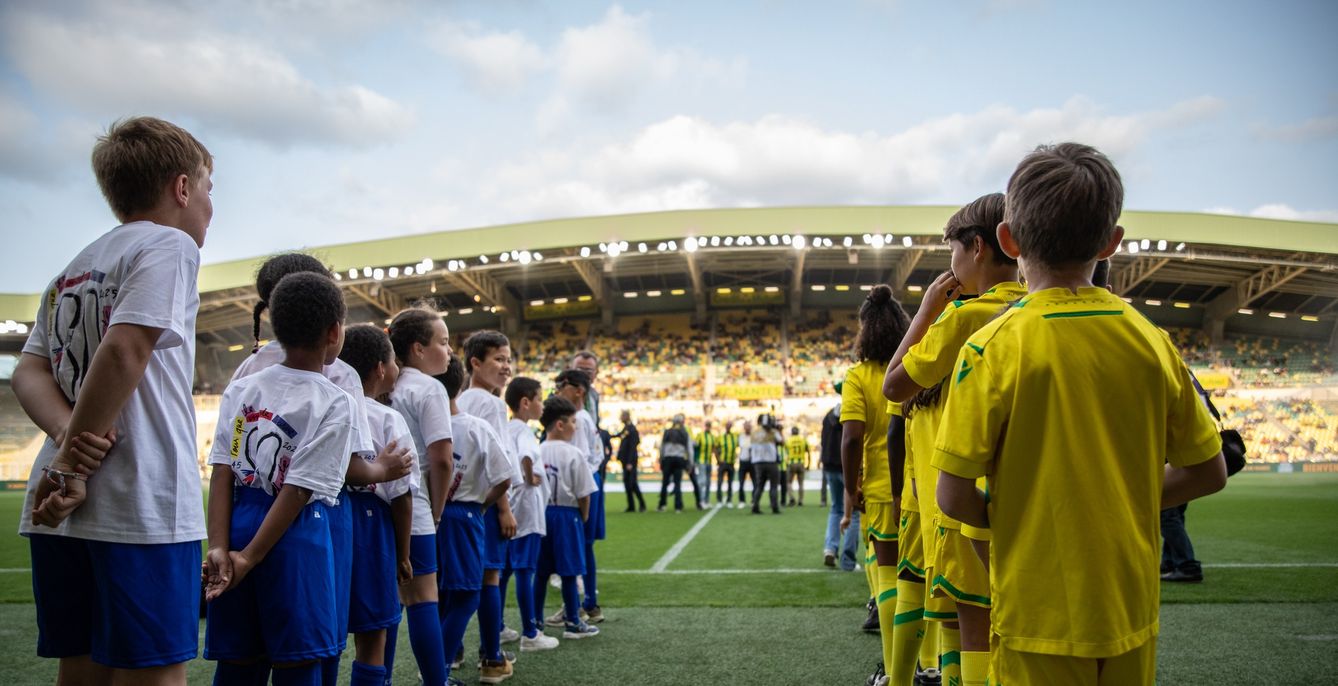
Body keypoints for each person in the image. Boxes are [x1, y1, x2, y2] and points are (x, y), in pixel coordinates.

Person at [933, 143, 1226, 685]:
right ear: (1111, 242)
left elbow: (952, 495)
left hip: (1035, 610)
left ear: (1008, 240)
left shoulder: (991, 347)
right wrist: (1118, 497)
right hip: (1128, 606)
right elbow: (1209, 472)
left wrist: (1023, 516)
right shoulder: (1152, 341)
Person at [13, 117, 211, 686]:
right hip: (138, 502)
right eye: (208, 188)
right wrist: (74, 465)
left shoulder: (72, 269)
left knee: (82, 669)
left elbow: (28, 370)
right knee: (153, 673)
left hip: (56, 509)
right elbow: (126, 349)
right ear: (181, 188)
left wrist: (65, 442)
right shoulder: (170, 244)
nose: (209, 205)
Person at [232, 252, 413, 686]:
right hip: (319, 520)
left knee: (244, 650)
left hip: (247, 511)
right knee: (316, 647)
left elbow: (227, 463)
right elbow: (345, 468)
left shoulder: (246, 370)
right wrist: (384, 470)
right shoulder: (341, 375)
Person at [882, 192, 1024, 686]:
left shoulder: (963, 317)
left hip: (962, 500)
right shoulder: (1030, 310)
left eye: (953, 252)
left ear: (978, 247)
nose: (952, 264)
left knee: (969, 621)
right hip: (1022, 495)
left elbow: (894, 386)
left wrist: (925, 312)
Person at [203, 272, 355, 685]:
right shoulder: (335, 401)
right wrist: (250, 559)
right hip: (295, 533)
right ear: (334, 332)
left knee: (237, 663)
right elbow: (298, 489)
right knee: (297, 663)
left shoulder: (241, 389)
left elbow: (222, 471)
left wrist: (219, 547)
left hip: (239, 524)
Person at [337, 324, 419, 686]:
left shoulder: (331, 404)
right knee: (372, 637)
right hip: (372, 528)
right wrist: (403, 554)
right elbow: (402, 495)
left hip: (329, 518)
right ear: (381, 368)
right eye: (394, 360)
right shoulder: (388, 418)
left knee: (329, 631)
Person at [841, 284, 913, 681]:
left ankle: (894, 671)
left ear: (865, 330)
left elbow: (852, 438)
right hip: (920, 485)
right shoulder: (914, 365)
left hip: (884, 489)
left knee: (888, 579)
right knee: (920, 581)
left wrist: (850, 488)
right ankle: (929, 666)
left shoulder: (858, 376)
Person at [434, 354, 516, 685]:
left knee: (439, 593)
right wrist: (484, 504)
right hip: (465, 513)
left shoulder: (424, 427)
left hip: (432, 514)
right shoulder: (476, 425)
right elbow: (504, 477)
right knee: (469, 592)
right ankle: (438, 669)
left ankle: (444, 661)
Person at [388, 308, 456, 686]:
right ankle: (435, 680)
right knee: (423, 598)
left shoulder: (387, 383)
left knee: (388, 602)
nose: (449, 350)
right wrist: (438, 511)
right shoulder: (429, 388)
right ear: (418, 349)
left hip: (377, 503)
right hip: (414, 504)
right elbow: (442, 459)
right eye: (443, 342)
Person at [456, 331, 521, 674]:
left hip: (460, 501)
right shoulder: (492, 404)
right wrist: (504, 509)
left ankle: (452, 652)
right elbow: (499, 465)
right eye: (499, 359)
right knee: (489, 577)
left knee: (457, 582)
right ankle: (492, 657)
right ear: (475, 363)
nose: (506, 366)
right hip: (487, 503)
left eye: (509, 359)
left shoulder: (460, 400)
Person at [500, 377, 560, 651]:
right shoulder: (524, 431)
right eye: (539, 399)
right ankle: (530, 633)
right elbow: (526, 456)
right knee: (525, 569)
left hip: (512, 504)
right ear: (525, 403)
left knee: (504, 571)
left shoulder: (506, 428)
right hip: (527, 507)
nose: (542, 405)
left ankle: (499, 626)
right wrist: (528, 476)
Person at [534, 396, 601, 640]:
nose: (576, 426)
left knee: (541, 572)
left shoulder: (537, 450)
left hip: (542, 514)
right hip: (567, 514)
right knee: (569, 571)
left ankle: (535, 622)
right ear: (560, 424)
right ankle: (573, 621)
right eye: (573, 422)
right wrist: (583, 516)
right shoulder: (574, 453)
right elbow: (584, 493)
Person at [549, 369, 606, 623]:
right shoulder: (584, 417)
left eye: (562, 385)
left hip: (582, 486)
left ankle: (575, 608)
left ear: (578, 391)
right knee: (585, 546)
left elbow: (579, 457)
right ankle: (589, 604)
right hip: (590, 482)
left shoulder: (578, 420)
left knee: (575, 547)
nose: (558, 390)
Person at [821, 383, 859, 570]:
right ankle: (848, 560)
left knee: (836, 508)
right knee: (854, 512)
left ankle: (830, 548)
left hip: (830, 466)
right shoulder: (853, 413)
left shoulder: (829, 416)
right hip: (847, 468)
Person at [657, 414, 693, 513]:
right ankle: (678, 506)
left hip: (668, 459)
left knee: (665, 483)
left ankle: (662, 505)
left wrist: (661, 459)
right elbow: (689, 450)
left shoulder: (667, 432)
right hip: (679, 459)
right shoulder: (684, 433)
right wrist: (690, 463)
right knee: (677, 483)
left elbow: (662, 447)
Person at [749, 414, 784, 514]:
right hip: (771, 462)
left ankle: (755, 506)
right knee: (773, 485)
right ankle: (774, 507)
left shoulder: (754, 432)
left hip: (757, 463)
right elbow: (782, 442)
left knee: (759, 485)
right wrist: (779, 431)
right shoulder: (773, 432)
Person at [614, 410, 647, 512]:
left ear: (626, 416)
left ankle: (642, 504)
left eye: (622, 416)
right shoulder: (626, 428)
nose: (620, 418)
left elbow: (633, 447)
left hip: (630, 462)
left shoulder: (632, 429)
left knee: (632, 483)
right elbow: (618, 435)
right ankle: (631, 506)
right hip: (625, 461)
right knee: (627, 484)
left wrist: (630, 462)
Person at [694, 420, 719, 507]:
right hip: (701, 461)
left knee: (708, 482)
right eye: (707, 425)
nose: (708, 427)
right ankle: (701, 500)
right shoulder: (700, 435)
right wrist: (695, 460)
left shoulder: (712, 436)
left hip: (709, 461)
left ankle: (706, 500)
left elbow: (714, 449)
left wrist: (717, 460)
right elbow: (695, 447)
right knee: (702, 481)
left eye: (709, 425)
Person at [784, 426, 810, 506]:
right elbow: (808, 452)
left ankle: (792, 498)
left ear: (791, 432)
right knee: (801, 483)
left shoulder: (788, 440)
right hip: (801, 463)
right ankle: (800, 500)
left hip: (791, 463)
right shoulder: (803, 440)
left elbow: (785, 452)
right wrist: (808, 464)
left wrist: (786, 463)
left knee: (788, 482)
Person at [717, 420, 739, 507]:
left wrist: (735, 457)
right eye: (727, 425)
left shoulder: (734, 437)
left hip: (731, 463)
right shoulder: (721, 437)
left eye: (730, 425)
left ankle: (729, 500)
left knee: (730, 483)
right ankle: (719, 500)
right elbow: (715, 448)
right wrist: (718, 459)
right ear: (725, 426)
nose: (728, 427)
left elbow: (737, 447)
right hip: (723, 463)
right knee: (720, 482)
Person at [737, 419, 754, 507]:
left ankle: (753, 500)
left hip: (752, 462)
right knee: (741, 482)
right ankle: (742, 501)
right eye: (746, 426)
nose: (747, 428)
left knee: (754, 482)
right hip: (743, 461)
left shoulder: (754, 436)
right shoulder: (741, 436)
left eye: (748, 426)